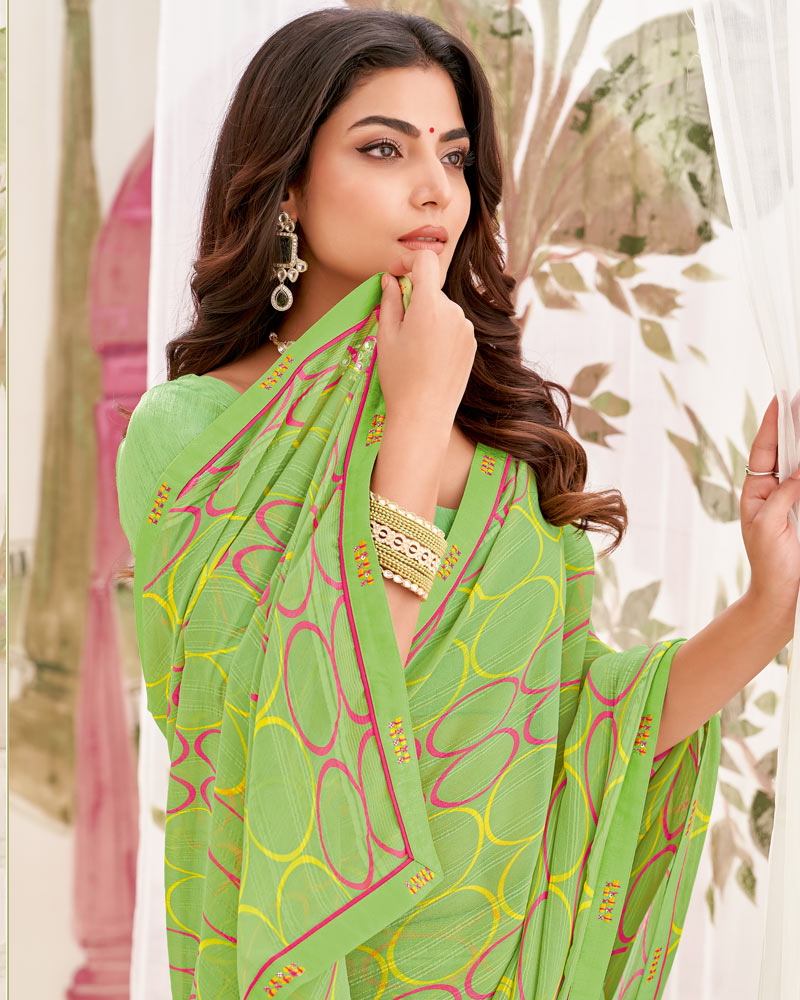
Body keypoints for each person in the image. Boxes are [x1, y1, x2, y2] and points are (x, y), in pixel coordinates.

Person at [115, 8, 799, 1000]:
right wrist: (416, 414)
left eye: (453, 155)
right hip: (317, 967)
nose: (434, 186)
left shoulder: (502, 445)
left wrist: (768, 605)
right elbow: (295, 728)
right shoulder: (196, 434)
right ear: (287, 184)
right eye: (382, 148)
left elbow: (583, 732)